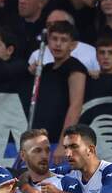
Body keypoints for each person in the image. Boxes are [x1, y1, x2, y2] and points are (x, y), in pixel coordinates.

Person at [28, 21, 87, 161]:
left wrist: (64, 143)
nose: (58, 44)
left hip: (59, 142)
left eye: (64, 40)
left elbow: (76, 106)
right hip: (42, 139)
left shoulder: (75, 68)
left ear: (72, 45)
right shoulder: (46, 69)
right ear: (48, 41)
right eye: (54, 39)